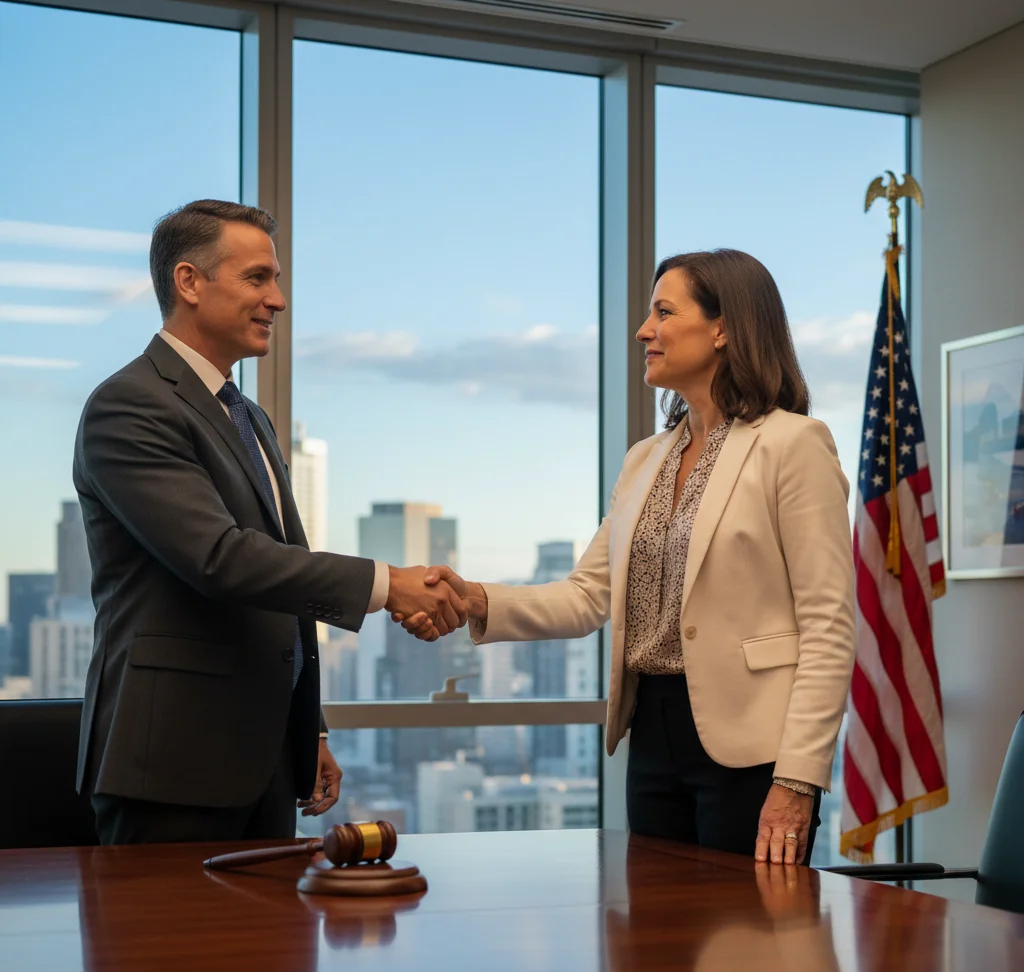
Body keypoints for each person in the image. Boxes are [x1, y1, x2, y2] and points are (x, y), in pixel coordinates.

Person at [400, 249, 855, 866]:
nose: (645, 330)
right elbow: (588, 595)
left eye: (664, 312)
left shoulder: (794, 444)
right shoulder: (645, 459)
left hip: (756, 750)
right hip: (652, 737)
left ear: (723, 328)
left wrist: (798, 779)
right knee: (659, 939)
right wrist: (475, 598)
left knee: (751, 947)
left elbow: (828, 628)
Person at [75, 199, 465, 845]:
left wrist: (305, 730)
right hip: (170, 768)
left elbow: (281, 585)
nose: (278, 300)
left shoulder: (247, 416)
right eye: (258, 278)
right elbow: (221, 560)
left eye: (276, 280)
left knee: (267, 949)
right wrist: (389, 584)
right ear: (189, 282)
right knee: (171, 950)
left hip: (263, 766)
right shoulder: (129, 405)